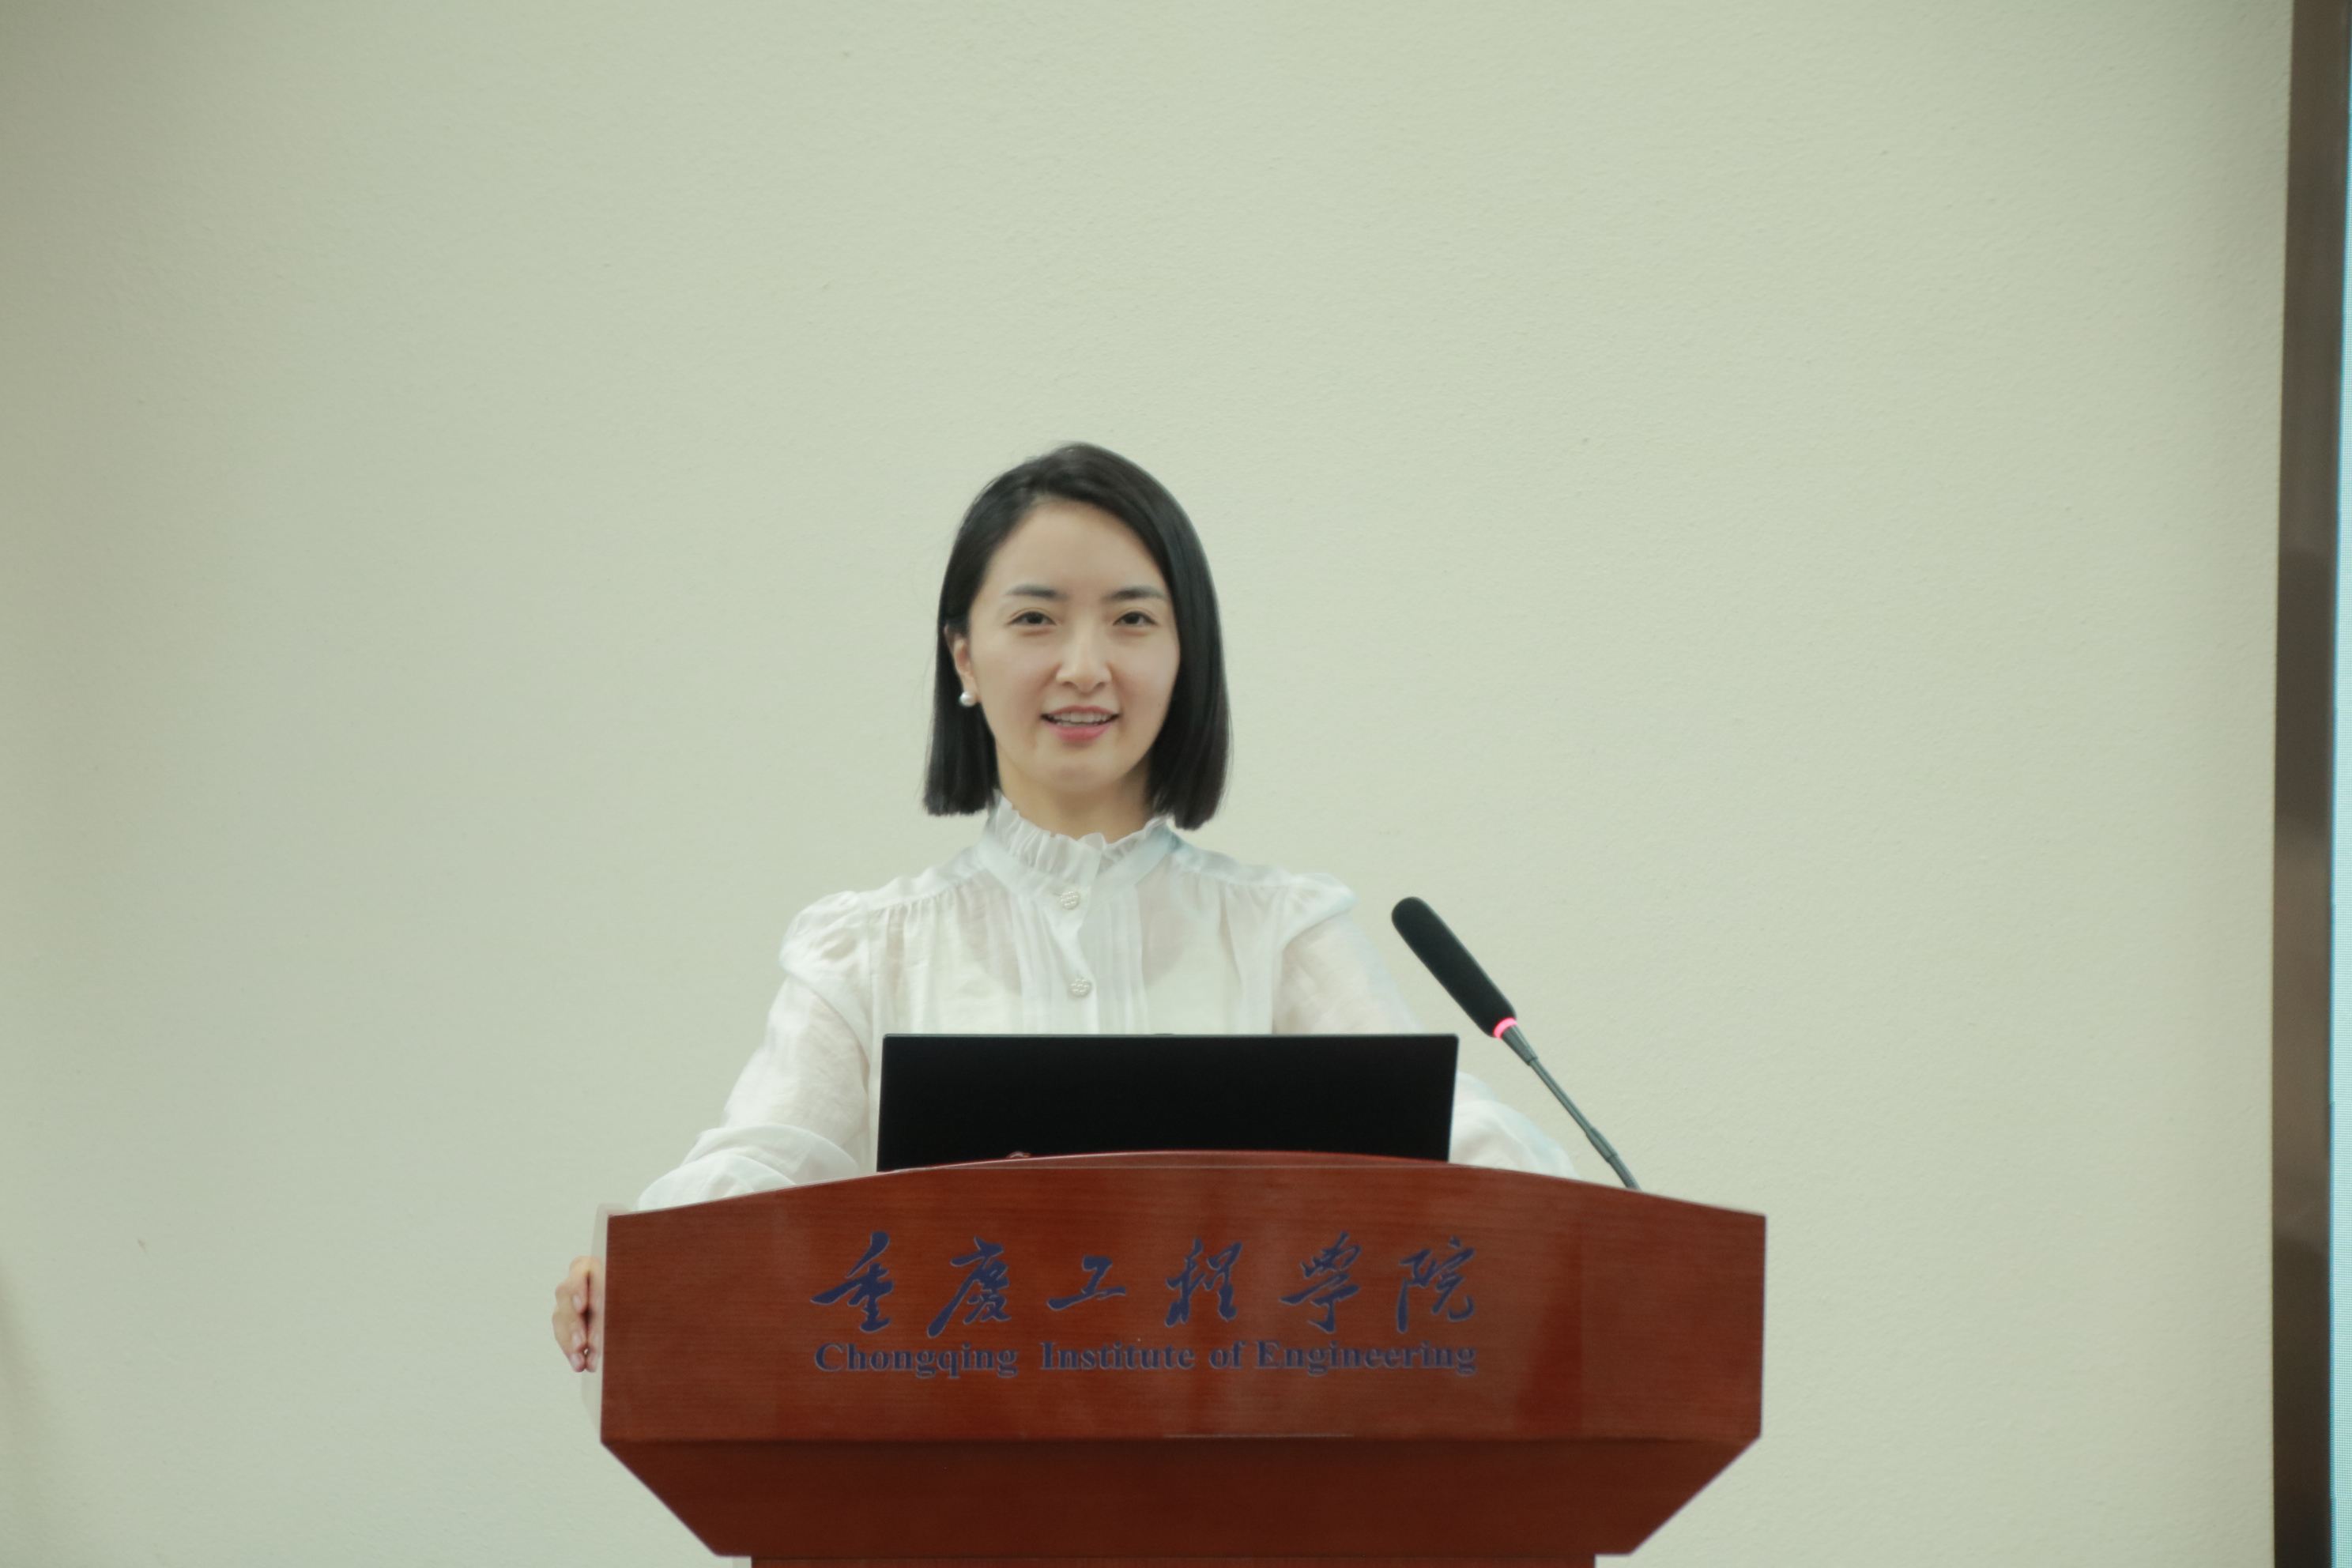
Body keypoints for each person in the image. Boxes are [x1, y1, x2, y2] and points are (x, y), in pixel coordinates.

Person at [552, 443, 1571, 1371]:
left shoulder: (1281, 932)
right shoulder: (869, 950)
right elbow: (761, 1160)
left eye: (1133, 619)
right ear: (963, 656)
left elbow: (1453, 1142)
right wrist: (644, 1261)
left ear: (1184, 654)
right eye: (1036, 619)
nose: (1085, 667)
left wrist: (1589, 1229)